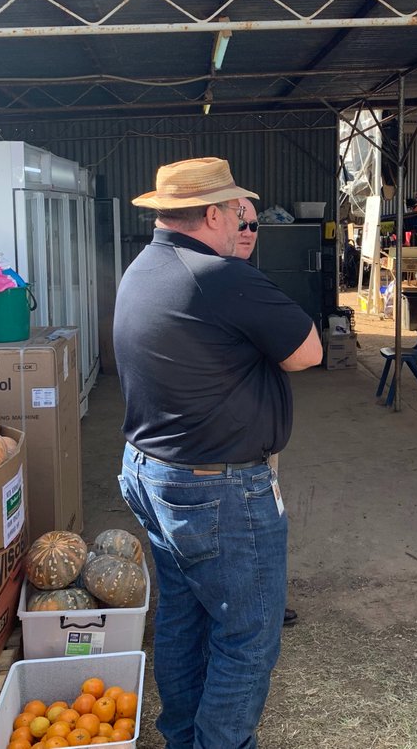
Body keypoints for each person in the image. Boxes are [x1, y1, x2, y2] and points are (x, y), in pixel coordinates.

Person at [114, 157, 322, 749]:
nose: (244, 224)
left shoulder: (144, 267)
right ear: (211, 214)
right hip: (217, 487)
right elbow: (306, 352)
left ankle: (183, 736)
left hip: (153, 472)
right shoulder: (221, 277)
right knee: (247, 635)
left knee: (185, 617)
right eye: (238, 212)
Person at [232, 196, 300, 628]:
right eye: (239, 224)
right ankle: (256, 610)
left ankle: (263, 601)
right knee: (249, 534)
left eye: (255, 227)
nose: (247, 234)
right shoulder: (230, 283)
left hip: (252, 438)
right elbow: (303, 352)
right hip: (233, 452)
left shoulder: (246, 279)